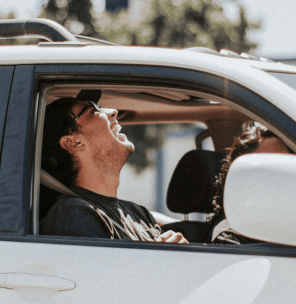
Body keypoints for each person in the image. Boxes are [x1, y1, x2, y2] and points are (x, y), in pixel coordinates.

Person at [39, 91, 187, 244]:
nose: (113, 112)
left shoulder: (137, 213)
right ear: (73, 142)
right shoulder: (73, 215)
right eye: (93, 110)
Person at [210, 122, 294, 244]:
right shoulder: (231, 234)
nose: (283, 176)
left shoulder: (292, 223)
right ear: (242, 180)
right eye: (270, 168)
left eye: (287, 166)